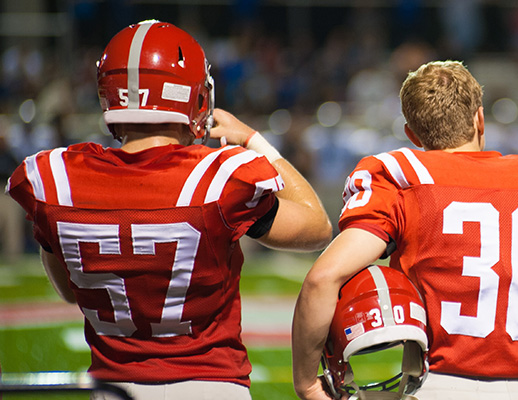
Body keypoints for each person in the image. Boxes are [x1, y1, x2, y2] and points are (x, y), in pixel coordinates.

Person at [5, 20, 332, 400]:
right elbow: (317, 227)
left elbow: (69, 292)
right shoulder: (217, 177)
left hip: (112, 388)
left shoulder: (54, 179)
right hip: (211, 386)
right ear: (192, 96)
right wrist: (253, 139)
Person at [292, 60, 518, 400]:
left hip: (439, 386)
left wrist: (306, 384)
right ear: (480, 119)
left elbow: (322, 279)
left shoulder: (404, 177)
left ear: (411, 134)